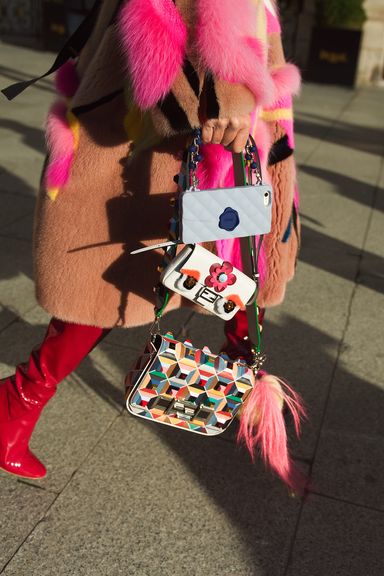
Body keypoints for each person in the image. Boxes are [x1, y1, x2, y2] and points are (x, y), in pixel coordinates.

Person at [0, 0, 301, 480]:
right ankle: (16, 403)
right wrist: (228, 98)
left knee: (238, 265)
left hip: (219, 129)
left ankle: (240, 386)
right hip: (186, 132)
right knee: (114, 275)